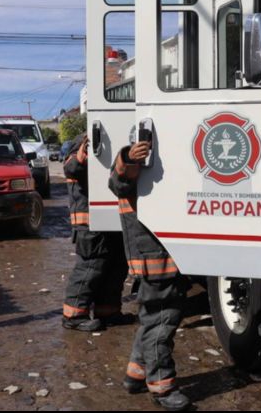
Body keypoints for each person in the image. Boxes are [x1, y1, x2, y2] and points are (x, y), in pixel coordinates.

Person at [108, 138, 191, 411]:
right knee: (162, 320)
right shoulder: (138, 165)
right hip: (156, 256)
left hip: (158, 253)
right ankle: (161, 385)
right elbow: (118, 182)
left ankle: (136, 374)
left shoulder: (154, 165)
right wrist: (130, 160)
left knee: (152, 318)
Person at [62, 133, 132, 332]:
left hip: (111, 220)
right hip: (90, 224)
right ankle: (73, 316)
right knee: (90, 268)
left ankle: (107, 312)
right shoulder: (85, 141)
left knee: (115, 268)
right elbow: (71, 167)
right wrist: (81, 156)